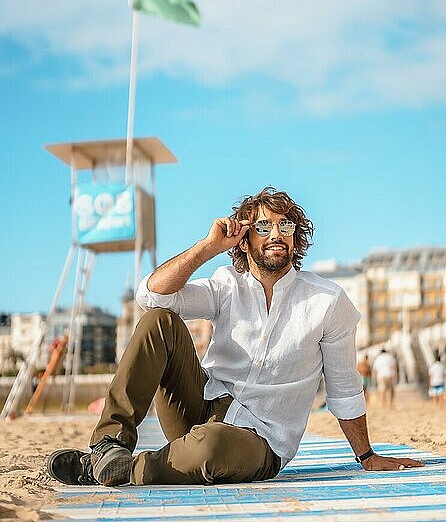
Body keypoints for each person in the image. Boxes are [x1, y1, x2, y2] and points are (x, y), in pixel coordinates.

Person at [47, 187, 423, 487]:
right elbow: (152, 296)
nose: (276, 234)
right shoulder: (227, 284)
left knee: (213, 445)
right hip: (199, 407)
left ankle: (122, 469)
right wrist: (207, 249)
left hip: (260, 440)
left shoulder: (328, 301)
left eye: (285, 226)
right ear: (243, 240)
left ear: (296, 236)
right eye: (263, 226)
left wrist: (366, 455)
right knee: (159, 320)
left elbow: (343, 386)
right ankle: (107, 445)